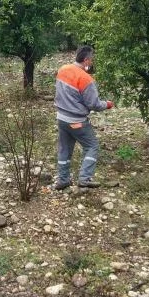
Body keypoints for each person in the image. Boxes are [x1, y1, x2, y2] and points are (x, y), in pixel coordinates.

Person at [53, 45, 114, 190]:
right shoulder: (86, 79)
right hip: (77, 121)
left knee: (64, 150)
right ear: (86, 60)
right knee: (91, 146)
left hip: (61, 118)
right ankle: (85, 178)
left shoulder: (62, 70)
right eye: (91, 60)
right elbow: (94, 104)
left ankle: (63, 180)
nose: (92, 63)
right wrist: (108, 104)